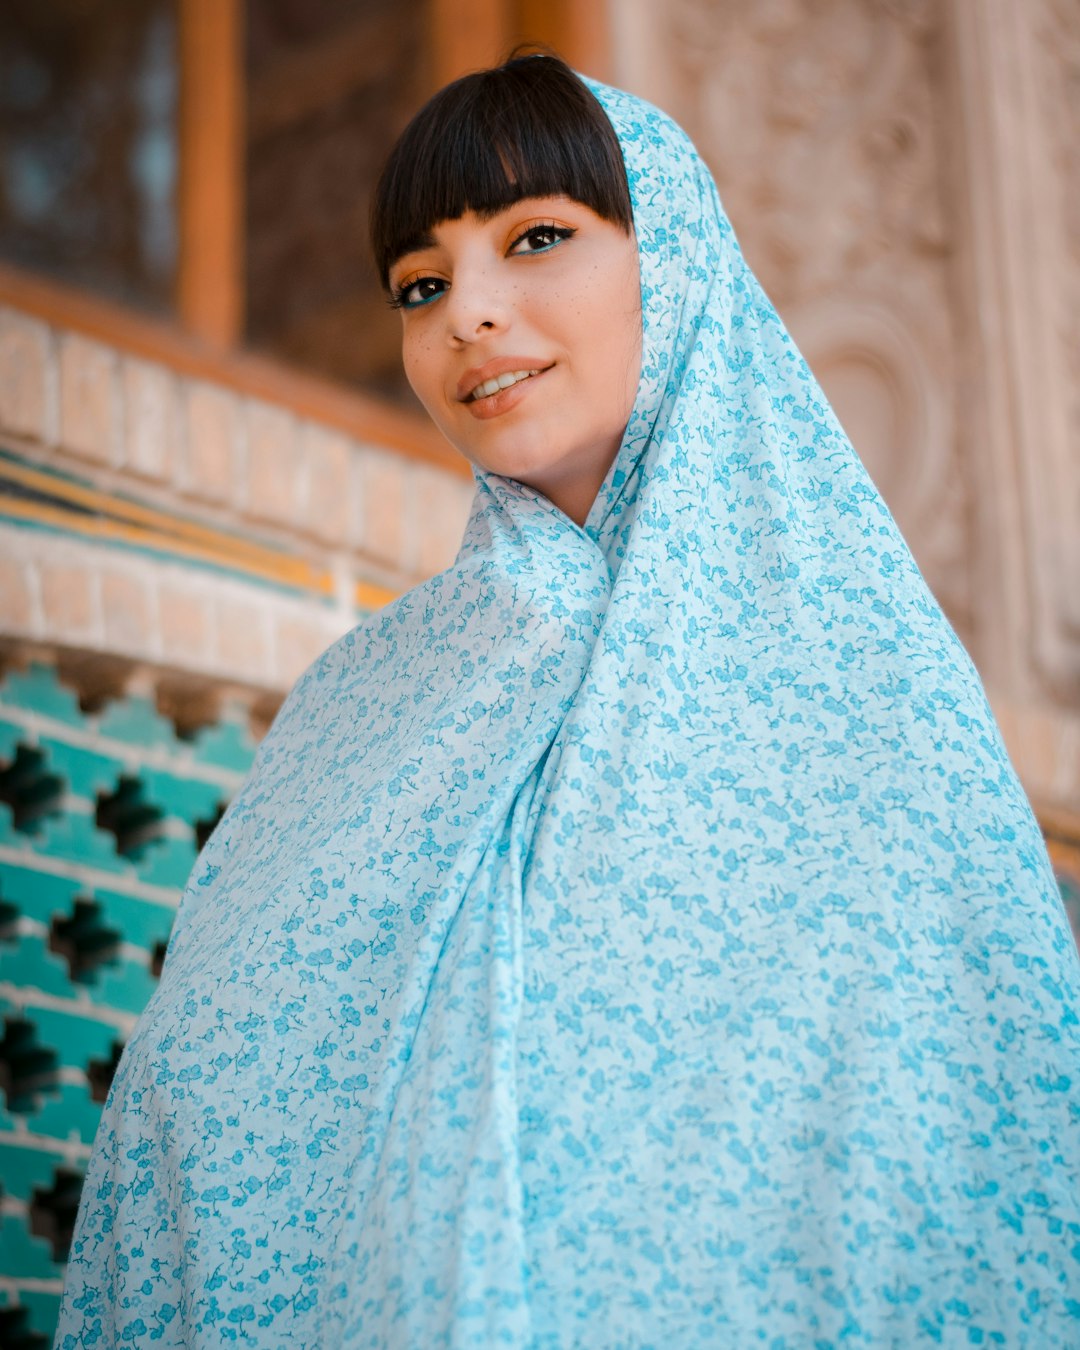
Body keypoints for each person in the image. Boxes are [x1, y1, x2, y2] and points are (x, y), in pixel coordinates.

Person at [56, 52, 1080, 1348]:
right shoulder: (364, 709)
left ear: (677, 255)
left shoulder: (874, 699)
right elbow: (195, 1116)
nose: (466, 314)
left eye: (536, 236)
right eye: (421, 286)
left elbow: (978, 1164)